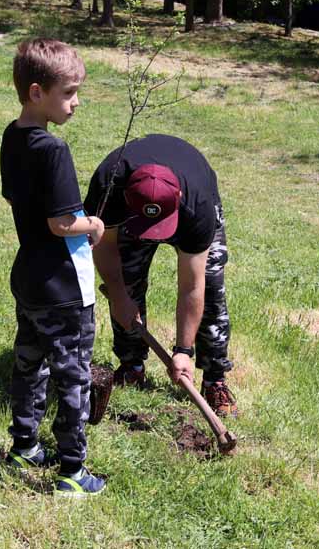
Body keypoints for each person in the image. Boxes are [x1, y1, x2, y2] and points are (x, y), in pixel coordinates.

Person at [0, 38, 107, 497]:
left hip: (28, 277)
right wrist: (95, 224)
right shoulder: (53, 150)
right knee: (73, 376)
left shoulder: (12, 135)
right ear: (37, 92)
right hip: (63, 287)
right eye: (69, 92)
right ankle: (72, 471)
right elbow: (63, 222)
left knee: (29, 364)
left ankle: (24, 444)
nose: (76, 102)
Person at [83, 135, 236, 416]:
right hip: (132, 213)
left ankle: (215, 379)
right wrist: (118, 295)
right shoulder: (109, 187)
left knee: (212, 288)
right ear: (127, 197)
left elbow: (192, 286)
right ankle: (132, 366)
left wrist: (183, 351)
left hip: (191, 201)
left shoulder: (197, 205)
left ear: (178, 197)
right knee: (126, 282)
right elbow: (105, 248)